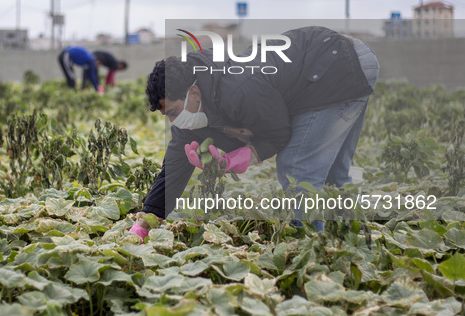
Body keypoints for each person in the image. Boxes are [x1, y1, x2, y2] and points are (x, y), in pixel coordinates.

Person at [129, 26, 379, 240]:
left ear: (192, 93)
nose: (174, 120)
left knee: (297, 168)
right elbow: (172, 169)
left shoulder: (237, 87)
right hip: (337, 60)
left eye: (172, 111)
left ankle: (312, 250)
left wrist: (245, 154)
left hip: (335, 67)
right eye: (167, 115)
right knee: (333, 175)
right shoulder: (198, 99)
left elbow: (279, 133)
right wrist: (146, 221)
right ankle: (352, 241)